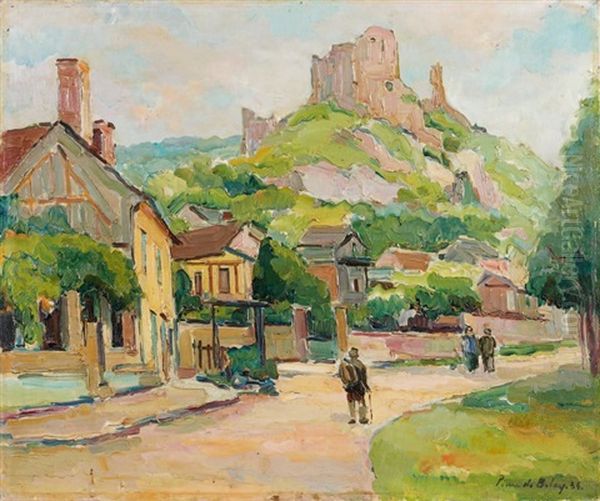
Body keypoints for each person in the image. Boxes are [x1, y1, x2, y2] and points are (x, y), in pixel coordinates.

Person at [339, 347, 370, 424]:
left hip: (354, 386)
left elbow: (363, 377)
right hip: (355, 385)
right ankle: (358, 418)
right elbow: (363, 378)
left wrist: (366, 386)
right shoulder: (355, 364)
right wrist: (366, 387)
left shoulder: (351, 364)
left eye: (353, 352)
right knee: (356, 401)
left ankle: (357, 418)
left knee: (355, 401)